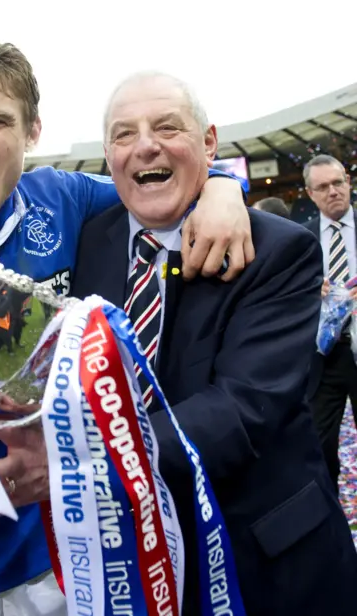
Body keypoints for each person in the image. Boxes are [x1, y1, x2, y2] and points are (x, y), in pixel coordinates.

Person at [0, 37, 254, 615]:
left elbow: (158, 186)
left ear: (33, 131)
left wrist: (223, 188)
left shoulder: (66, 199)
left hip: (62, 551)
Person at [68, 72, 357, 614]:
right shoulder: (86, 243)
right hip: (135, 562)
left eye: (167, 126)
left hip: (269, 566)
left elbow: (243, 410)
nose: (145, 145)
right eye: (124, 134)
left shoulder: (277, 250)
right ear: (107, 155)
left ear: (208, 142)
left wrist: (80, 461)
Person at [302, 154, 357, 490]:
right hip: (324, 358)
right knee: (320, 448)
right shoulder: (300, 239)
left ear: (348, 182)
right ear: (310, 194)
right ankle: (330, 521)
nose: (332, 191)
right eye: (323, 187)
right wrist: (310, 291)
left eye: (337, 183)